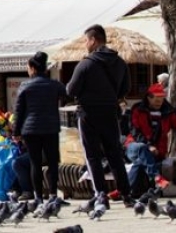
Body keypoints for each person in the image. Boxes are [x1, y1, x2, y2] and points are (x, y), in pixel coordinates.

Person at [66, 24, 132, 206]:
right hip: (110, 112)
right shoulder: (120, 63)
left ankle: (101, 194)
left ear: (93, 40)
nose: (85, 44)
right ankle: (126, 194)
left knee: (92, 155)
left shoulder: (86, 64)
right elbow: (126, 88)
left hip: (88, 113)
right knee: (115, 154)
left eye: (86, 40)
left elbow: (71, 90)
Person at [13, 51, 67, 202]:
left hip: (30, 130)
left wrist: (16, 132)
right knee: (52, 162)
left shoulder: (25, 86)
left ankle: (38, 197)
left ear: (33, 68)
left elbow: (19, 111)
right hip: (50, 128)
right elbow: (68, 94)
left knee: (35, 163)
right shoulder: (54, 85)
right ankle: (53, 194)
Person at [125, 83, 176, 194]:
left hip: (156, 153)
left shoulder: (168, 111)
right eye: (156, 100)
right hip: (134, 146)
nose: (159, 103)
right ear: (148, 97)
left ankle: (124, 191)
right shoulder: (137, 109)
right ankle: (156, 177)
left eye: (161, 100)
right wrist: (148, 145)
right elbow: (134, 131)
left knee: (140, 163)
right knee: (142, 147)